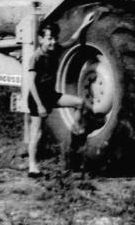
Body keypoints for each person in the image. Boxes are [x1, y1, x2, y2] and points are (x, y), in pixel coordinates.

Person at [27, 11, 96, 177]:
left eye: (54, 38)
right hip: (37, 98)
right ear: (41, 39)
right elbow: (31, 83)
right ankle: (32, 166)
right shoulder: (35, 57)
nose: (53, 42)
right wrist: (40, 105)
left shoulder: (55, 49)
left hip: (51, 95)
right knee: (37, 132)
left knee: (79, 103)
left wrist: (84, 24)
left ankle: (75, 129)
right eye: (49, 38)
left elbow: (72, 40)